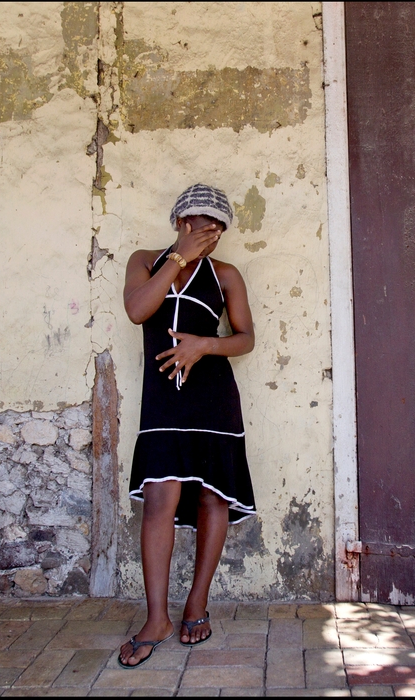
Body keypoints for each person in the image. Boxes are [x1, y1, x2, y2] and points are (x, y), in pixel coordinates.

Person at [118, 183, 256, 668]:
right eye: (204, 224)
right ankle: (156, 617)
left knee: (212, 496)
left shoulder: (226, 275)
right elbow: (138, 310)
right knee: (160, 496)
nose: (213, 233)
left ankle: (197, 602)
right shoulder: (145, 260)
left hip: (214, 400)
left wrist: (203, 345)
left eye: (220, 227)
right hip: (163, 404)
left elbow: (245, 339)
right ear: (182, 223)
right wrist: (178, 258)